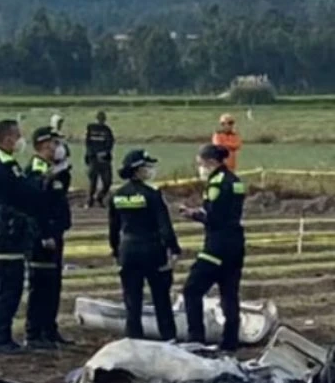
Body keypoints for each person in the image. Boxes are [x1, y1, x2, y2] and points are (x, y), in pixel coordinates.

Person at [0, 119, 54, 354]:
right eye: (17, 136)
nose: (20, 140)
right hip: (7, 229)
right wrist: (41, 181)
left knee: (11, 284)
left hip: (10, 227)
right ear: (7, 139)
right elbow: (26, 192)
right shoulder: (3, 164)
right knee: (8, 286)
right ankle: (1, 338)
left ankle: (4, 337)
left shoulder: (5, 162)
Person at [109, 150, 181, 341]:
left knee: (132, 300)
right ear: (137, 170)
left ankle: (134, 339)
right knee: (161, 298)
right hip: (152, 249)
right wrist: (174, 248)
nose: (150, 170)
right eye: (146, 167)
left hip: (128, 250)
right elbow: (164, 226)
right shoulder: (152, 194)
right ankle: (168, 338)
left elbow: (113, 227)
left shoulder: (118, 195)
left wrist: (116, 251)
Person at [181, 144, 247, 351]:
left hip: (217, 245)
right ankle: (230, 341)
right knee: (229, 293)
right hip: (236, 243)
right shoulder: (235, 180)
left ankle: (196, 338)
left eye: (201, 164)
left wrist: (194, 214)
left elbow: (214, 217)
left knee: (192, 290)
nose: (200, 168)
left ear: (211, 162)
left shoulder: (216, 183)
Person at [24, 127, 74, 349]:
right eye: (55, 143)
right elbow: (36, 206)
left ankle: (49, 330)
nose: (59, 147)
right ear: (44, 145)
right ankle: (34, 334)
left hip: (55, 232)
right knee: (41, 284)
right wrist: (44, 234)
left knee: (53, 284)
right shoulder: (37, 170)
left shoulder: (53, 170)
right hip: (42, 237)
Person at [84, 111, 116, 208]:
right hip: (93, 159)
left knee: (107, 182)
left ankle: (99, 197)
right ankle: (89, 201)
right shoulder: (91, 128)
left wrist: (104, 153)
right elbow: (88, 144)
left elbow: (110, 143)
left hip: (105, 159)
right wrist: (90, 155)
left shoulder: (107, 130)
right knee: (92, 182)